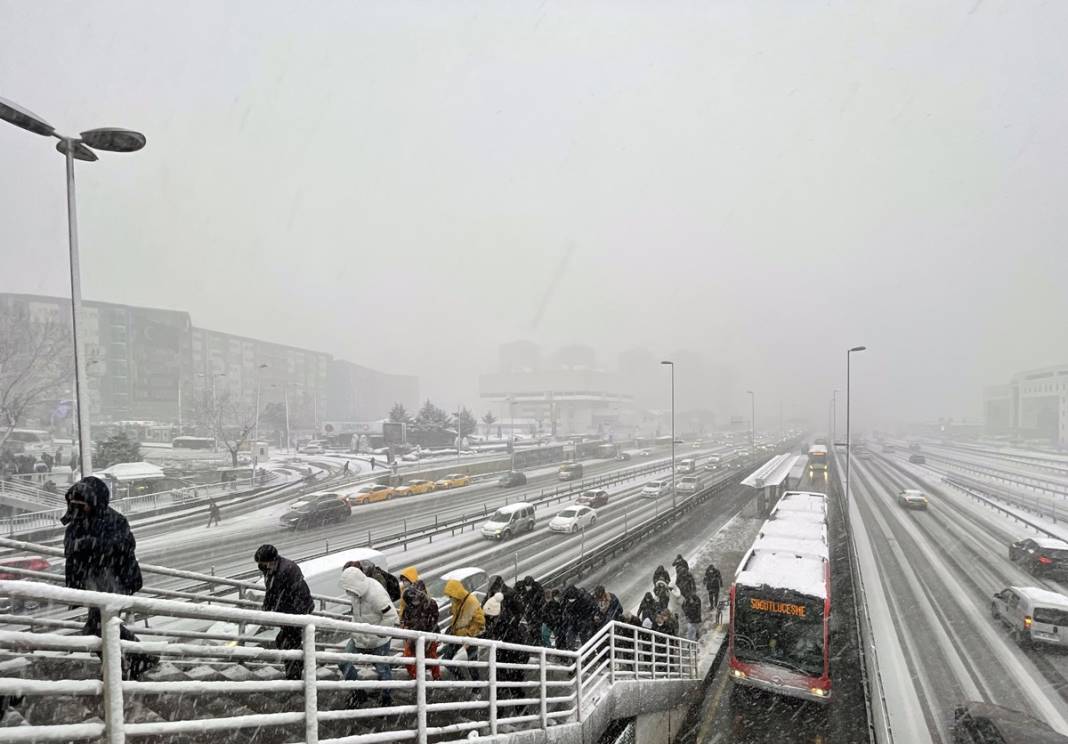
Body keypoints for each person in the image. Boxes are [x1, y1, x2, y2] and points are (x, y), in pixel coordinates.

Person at [62, 476, 157, 680]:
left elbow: (124, 546)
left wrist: (89, 544)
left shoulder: (114, 520)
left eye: (82, 504)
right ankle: (129, 661)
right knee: (103, 626)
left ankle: (131, 661)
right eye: (74, 504)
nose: (77, 508)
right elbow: (71, 552)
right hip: (94, 584)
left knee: (98, 626)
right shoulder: (77, 522)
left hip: (115, 581)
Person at [338, 565, 399, 707]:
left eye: (349, 588)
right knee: (343, 662)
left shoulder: (376, 594)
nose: (347, 592)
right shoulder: (355, 592)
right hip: (359, 637)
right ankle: (359, 693)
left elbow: (391, 615)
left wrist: (377, 633)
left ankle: (386, 697)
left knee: (382, 669)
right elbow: (356, 613)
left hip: (378, 641)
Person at [255, 544, 313, 680]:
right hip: (286, 614)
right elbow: (271, 592)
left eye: (265, 562)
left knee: (289, 643)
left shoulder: (287, 570)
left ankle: (294, 677)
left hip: (296, 613)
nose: (264, 566)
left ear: (272, 560)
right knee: (284, 642)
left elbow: (297, 594)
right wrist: (266, 609)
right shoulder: (270, 569)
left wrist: (294, 617)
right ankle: (297, 668)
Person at [441, 579, 485, 683]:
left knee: (472, 664)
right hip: (457, 635)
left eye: (451, 595)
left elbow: (480, 621)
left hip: (469, 637)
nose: (450, 598)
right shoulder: (456, 600)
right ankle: (462, 680)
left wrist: (469, 635)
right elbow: (458, 615)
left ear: (456, 592)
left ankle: (476, 688)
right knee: (446, 660)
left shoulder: (471, 601)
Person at [400, 584, 442, 681]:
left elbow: (434, 621)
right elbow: (404, 620)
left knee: (431, 657)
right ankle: (416, 677)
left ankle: (437, 678)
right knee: (408, 656)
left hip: (430, 634)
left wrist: (429, 639)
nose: (413, 603)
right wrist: (406, 630)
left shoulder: (430, 604)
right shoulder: (408, 608)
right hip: (414, 635)